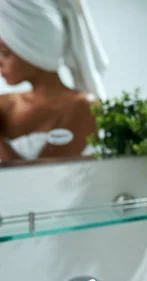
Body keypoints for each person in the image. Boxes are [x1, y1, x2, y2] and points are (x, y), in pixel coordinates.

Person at [0, 0, 109, 162]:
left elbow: (40, 179)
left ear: (34, 50)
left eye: (5, 53)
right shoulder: (6, 104)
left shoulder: (84, 107)